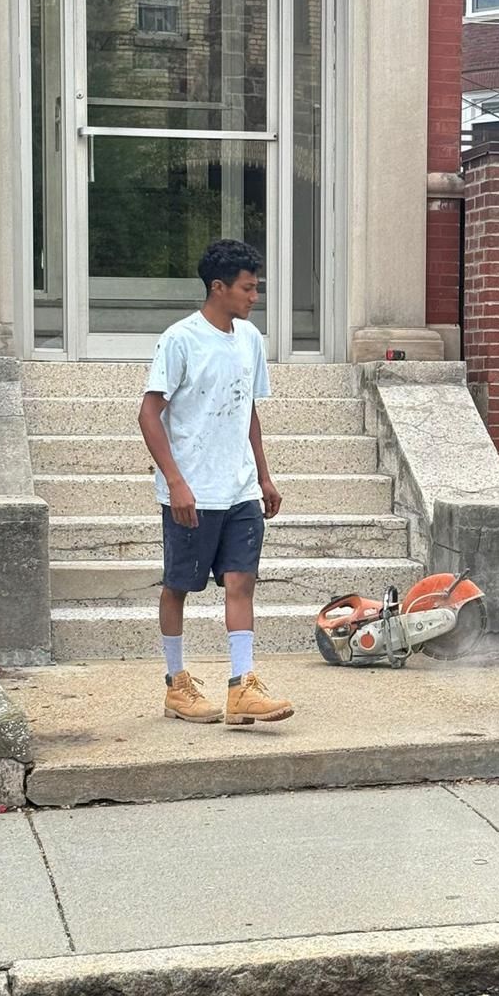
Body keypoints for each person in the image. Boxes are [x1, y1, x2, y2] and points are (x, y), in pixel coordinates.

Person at [138, 239, 295, 727]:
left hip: (239, 488)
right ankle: (176, 684)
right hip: (193, 489)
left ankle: (242, 686)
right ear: (218, 287)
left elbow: (248, 409)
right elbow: (149, 414)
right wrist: (176, 482)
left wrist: (264, 476)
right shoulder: (180, 339)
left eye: (256, 287)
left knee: (241, 581)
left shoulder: (250, 340)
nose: (255, 297)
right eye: (248, 288)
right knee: (178, 586)